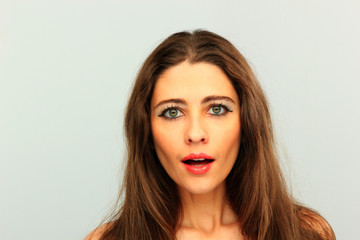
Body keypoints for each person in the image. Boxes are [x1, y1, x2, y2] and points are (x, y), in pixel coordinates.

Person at [86, 30, 335, 240]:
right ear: (146, 131)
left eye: (217, 109)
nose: (195, 134)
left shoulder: (306, 232)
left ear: (247, 124)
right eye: (172, 112)